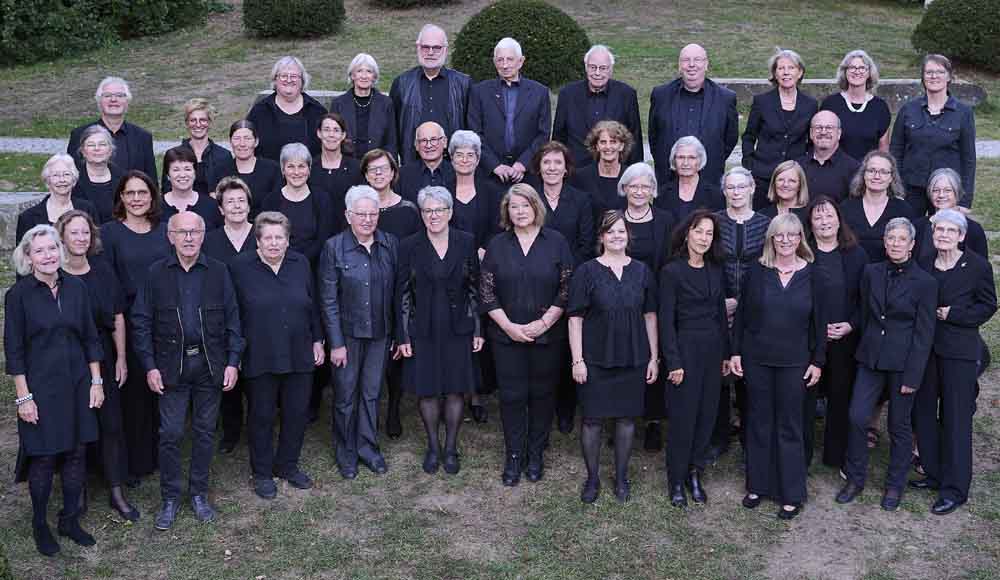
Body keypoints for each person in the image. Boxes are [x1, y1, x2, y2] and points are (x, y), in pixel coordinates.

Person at [131, 211, 243, 530]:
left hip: (210, 365)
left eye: (195, 231)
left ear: (203, 235)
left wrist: (233, 361)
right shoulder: (155, 274)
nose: (189, 238)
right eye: (182, 232)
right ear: (171, 236)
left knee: (206, 432)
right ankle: (170, 497)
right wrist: (150, 366)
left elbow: (235, 320)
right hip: (170, 366)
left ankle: (198, 493)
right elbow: (141, 322)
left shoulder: (219, 272)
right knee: (171, 433)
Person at [6, 225, 105, 556]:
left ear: (60, 252)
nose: (48, 256)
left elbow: (91, 336)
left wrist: (96, 381)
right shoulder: (18, 296)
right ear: (28, 257)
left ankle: (69, 519)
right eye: (40, 251)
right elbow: (14, 350)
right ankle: (39, 523)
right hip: (40, 389)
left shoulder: (77, 287)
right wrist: (23, 397)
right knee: (45, 456)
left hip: (78, 383)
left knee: (77, 452)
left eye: (52, 249)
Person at [836, 217, 936, 512]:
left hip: (904, 364)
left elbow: (924, 333)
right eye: (891, 238)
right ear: (884, 241)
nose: (895, 243)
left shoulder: (926, 283)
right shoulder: (871, 272)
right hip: (871, 358)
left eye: (901, 239)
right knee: (856, 417)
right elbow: (867, 314)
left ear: (912, 245)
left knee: (899, 426)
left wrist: (913, 376)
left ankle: (895, 484)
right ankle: (855, 478)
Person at [731, 213, 826, 520]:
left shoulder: (813, 275)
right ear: (771, 238)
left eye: (793, 235)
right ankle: (757, 485)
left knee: (789, 425)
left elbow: (819, 324)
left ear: (801, 238)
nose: (786, 241)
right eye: (780, 236)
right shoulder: (757, 273)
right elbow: (742, 318)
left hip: (795, 362)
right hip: (757, 358)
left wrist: (818, 362)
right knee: (758, 421)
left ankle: (791, 492)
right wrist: (735, 354)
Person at [480, 183, 574, 486]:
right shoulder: (497, 245)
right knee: (512, 396)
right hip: (506, 335)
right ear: (507, 211)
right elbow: (487, 292)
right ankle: (514, 455)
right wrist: (509, 327)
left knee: (543, 396)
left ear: (536, 207)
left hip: (548, 334)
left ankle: (536, 454)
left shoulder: (556, 242)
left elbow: (566, 287)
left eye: (525, 205)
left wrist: (545, 322)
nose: (520, 211)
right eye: (514, 206)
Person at [230, 211, 325, 499]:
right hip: (260, 352)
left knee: (296, 413)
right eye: (267, 238)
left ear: (287, 240)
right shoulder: (239, 267)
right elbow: (233, 313)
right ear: (257, 241)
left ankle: (287, 465)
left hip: (299, 350)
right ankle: (262, 472)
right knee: (261, 415)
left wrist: (318, 340)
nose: (274, 243)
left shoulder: (300, 263)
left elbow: (313, 303)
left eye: (279, 238)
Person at [568, 211, 657, 503]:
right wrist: (577, 359)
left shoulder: (642, 271)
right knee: (592, 420)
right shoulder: (587, 271)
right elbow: (575, 319)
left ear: (628, 236)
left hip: (633, 357)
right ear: (601, 237)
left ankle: (621, 477)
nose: (617, 236)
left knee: (626, 419)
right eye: (610, 232)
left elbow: (650, 316)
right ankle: (592, 479)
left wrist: (653, 357)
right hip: (595, 357)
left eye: (621, 231)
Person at [912, 209, 997, 515]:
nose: (944, 235)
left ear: (962, 236)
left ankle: (955, 488)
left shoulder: (976, 267)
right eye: (939, 230)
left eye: (950, 231)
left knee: (956, 419)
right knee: (922, 412)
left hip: (959, 353)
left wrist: (954, 315)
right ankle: (933, 474)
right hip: (926, 351)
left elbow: (988, 305)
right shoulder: (924, 264)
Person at [56, 210, 138, 522]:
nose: (80, 238)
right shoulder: (55, 274)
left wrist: (120, 358)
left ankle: (116, 491)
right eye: (74, 233)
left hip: (103, 354)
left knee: (111, 425)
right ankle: (77, 494)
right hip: (68, 360)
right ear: (62, 237)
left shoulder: (103, 270)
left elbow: (117, 315)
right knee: (75, 426)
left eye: (85, 233)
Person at [395, 186, 483, 474]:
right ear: (421, 214)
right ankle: (433, 446)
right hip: (423, 327)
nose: (433, 215)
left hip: (458, 325)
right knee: (428, 389)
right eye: (428, 210)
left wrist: (477, 329)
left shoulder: (466, 241)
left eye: (439, 210)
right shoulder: (408, 245)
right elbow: (403, 292)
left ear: (450, 212)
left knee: (457, 388)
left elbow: (474, 287)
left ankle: (451, 448)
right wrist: (403, 335)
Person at [320, 186, 398, 479]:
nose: (367, 219)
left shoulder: (389, 244)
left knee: (371, 393)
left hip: (380, 334)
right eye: (361, 214)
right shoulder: (334, 247)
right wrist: (336, 343)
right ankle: (346, 451)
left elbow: (396, 293)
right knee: (345, 395)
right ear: (348, 215)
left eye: (373, 213)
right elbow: (328, 299)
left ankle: (367, 447)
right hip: (347, 336)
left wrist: (397, 335)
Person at [100, 171, 171, 485]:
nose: (137, 198)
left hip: (164, 320)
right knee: (133, 394)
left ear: (152, 196)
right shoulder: (109, 234)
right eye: (130, 193)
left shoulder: (165, 231)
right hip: (125, 322)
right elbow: (108, 282)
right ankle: (135, 460)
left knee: (162, 388)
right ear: (121, 198)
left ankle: (159, 452)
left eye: (143, 192)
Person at [659, 210, 730, 508]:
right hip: (685, 352)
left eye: (709, 233)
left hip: (713, 353)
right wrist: (673, 362)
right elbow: (665, 321)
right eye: (699, 231)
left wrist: (726, 354)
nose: (703, 238)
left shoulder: (716, 269)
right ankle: (676, 479)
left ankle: (694, 472)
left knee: (706, 417)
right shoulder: (671, 272)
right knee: (683, 419)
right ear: (687, 233)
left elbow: (720, 316)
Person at [357, 149, 422, 436]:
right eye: (372, 170)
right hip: (365, 289)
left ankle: (393, 409)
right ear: (365, 175)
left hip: (398, 287)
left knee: (397, 351)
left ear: (394, 173)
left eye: (383, 169)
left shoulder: (407, 210)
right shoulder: (358, 209)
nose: (378, 174)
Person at [805, 196, 868, 470]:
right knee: (805, 398)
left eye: (829, 215)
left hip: (844, 338)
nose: (824, 222)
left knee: (840, 398)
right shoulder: (802, 254)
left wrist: (850, 325)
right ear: (810, 223)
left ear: (839, 219)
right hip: (809, 339)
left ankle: (835, 456)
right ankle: (801, 454)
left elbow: (866, 300)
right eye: (817, 217)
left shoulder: (856, 254)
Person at [711, 167, 770, 461]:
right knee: (720, 373)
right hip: (718, 307)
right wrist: (721, 301)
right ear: (724, 191)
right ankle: (719, 436)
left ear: (751, 189)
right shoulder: (714, 223)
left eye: (741, 187)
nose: (736, 192)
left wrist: (743, 303)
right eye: (730, 187)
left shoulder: (765, 224)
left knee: (749, 375)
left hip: (755, 309)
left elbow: (770, 267)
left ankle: (750, 435)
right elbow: (706, 263)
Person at [618, 162, 674, 450]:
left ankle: (653, 421)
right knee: (624, 358)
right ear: (624, 188)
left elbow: (671, 259)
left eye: (645, 186)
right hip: (620, 301)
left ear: (653, 190)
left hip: (655, 298)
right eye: (634, 186)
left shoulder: (665, 219)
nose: (639, 191)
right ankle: (621, 417)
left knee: (654, 356)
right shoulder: (614, 219)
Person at [203, 177, 258, 453]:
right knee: (228, 376)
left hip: (258, 318)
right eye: (230, 202)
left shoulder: (262, 236)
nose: (236, 206)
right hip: (222, 319)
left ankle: (258, 427)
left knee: (257, 377)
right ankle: (232, 430)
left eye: (241, 201)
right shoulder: (210, 241)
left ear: (249, 205)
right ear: (221, 209)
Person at [890, 54, 976, 216]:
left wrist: (965, 200)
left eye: (940, 72)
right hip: (911, 190)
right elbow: (896, 151)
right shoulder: (908, 110)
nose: (934, 76)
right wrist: (896, 189)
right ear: (923, 77)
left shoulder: (963, 113)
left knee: (944, 236)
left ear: (949, 76)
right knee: (910, 234)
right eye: (929, 72)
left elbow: (969, 159)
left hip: (946, 191)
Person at [649, 43, 738, 189]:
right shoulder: (660, 95)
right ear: (679, 65)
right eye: (686, 60)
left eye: (697, 60)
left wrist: (708, 161)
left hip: (709, 180)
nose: (691, 65)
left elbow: (730, 139)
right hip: (668, 180)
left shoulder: (725, 98)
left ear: (706, 64)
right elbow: (654, 137)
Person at [741, 49, 818, 209]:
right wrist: (750, 163)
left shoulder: (810, 104)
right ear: (775, 74)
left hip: (795, 176)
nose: (786, 72)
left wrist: (805, 165)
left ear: (800, 72)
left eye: (791, 68)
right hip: (763, 176)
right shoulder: (762, 101)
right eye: (781, 68)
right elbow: (749, 136)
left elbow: (812, 141)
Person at [468, 37, 551, 184]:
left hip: (527, 175)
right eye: (500, 60)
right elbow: (474, 132)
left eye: (510, 59)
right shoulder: (479, 92)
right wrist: (495, 165)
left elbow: (543, 134)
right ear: (494, 62)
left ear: (521, 61)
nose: (505, 65)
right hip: (490, 175)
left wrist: (523, 164)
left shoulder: (540, 92)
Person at [390, 24, 471, 166]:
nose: (431, 52)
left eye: (437, 48)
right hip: (412, 164)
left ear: (445, 50)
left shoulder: (464, 84)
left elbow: (471, 128)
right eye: (425, 47)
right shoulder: (401, 83)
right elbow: (392, 129)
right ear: (418, 48)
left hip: (453, 166)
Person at [552, 45, 643, 168]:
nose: (597, 73)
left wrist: (636, 172)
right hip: (576, 172)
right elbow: (559, 138)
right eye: (593, 67)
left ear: (611, 70)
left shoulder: (626, 94)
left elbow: (634, 138)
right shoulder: (567, 94)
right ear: (586, 67)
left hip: (615, 171)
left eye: (603, 68)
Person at [259, 143, 338, 264]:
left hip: (313, 266)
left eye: (301, 166)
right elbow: (266, 237)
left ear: (309, 169)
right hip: (278, 264)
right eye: (290, 166)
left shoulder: (322, 199)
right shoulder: (271, 201)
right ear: (283, 169)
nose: (296, 172)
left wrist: (300, 261)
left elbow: (324, 239)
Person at [68, 76, 156, 180]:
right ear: (99, 101)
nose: (113, 99)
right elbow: (71, 175)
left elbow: (151, 180)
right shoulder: (79, 135)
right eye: (107, 95)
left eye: (119, 95)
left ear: (127, 101)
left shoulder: (143, 137)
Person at [247, 56, 328, 162]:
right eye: (284, 76)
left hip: (308, 176)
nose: (289, 80)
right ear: (275, 80)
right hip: (269, 176)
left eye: (294, 76)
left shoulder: (317, 111)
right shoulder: (259, 111)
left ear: (302, 81)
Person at [840, 151, 916, 263]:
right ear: (863, 174)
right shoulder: (846, 207)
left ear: (891, 178)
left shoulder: (904, 210)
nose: (877, 176)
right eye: (871, 171)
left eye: (883, 172)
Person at [528, 140, 595, 266]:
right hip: (534, 268)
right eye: (546, 162)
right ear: (539, 167)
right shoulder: (530, 199)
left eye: (558, 162)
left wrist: (567, 269)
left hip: (572, 270)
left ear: (565, 169)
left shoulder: (581, 200)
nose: (552, 168)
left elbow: (587, 244)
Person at [820, 50, 891, 161]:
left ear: (869, 73)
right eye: (852, 67)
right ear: (845, 72)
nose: (857, 72)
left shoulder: (880, 107)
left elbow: (883, 150)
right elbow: (821, 143)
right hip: (835, 171)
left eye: (862, 68)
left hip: (867, 173)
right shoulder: (830, 104)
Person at [16, 154, 99, 244]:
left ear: (74, 180)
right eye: (56, 175)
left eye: (66, 174)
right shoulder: (28, 217)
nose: (62, 180)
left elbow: (96, 245)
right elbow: (23, 253)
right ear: (47, 181)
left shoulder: (88, 209)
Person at [329, 53, 398, 160]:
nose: (364, 76)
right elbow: (332, 138)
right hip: (346, 164)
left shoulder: (386, 103)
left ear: (374, 77)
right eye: (359, 71)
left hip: (377, 164)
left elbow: (391, 141)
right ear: (352, 75)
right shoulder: (338, 103)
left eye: (369, 71)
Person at [161, 98, 233, 197]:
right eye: (193, 120)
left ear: (209, 122)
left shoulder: (223, 156)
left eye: (202, 120)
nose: (198, 125)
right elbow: (166, 190)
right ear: (187, 123)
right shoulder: (173, 155)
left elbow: (228, 192)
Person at [915, 168, 988, 264]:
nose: (941, 195)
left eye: (947, 190)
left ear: (957, 193)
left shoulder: (973, 229)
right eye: (935, 190)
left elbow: (981, 267)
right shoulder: (918, 226)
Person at [447, 130, 502, 255]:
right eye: (459, 155)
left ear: (477, 160)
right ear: (452, 158)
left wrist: (486, 249)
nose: (464, 160)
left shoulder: (492, 191)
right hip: (451, 258)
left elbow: (498, 227)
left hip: (485, 258)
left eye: (470, 155)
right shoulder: (443, 191)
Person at [570, 120, 632, 223]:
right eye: (603, 142)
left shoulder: (630, 177)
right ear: (597, 146)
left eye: (613, 142)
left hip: (622, 236)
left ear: (621, 146)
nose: (608, 147)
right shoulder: (580, 177)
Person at [795, 110, 861, 203]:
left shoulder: (854, 169)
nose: (823, 132)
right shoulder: (797, 166)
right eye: (818, 127)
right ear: (810, 133)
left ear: (839, 133)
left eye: (829, 128)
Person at [654, 135, 723, 221]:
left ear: (700, 160)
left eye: (691, 158)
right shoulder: (662, 194)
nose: (685, 163)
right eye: (681, 157)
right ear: (674, 160)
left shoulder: (715, 196)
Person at [308, 112, 364, 219]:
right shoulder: (309, 167)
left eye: (336, 130)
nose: (331, 135)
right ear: (319, 133)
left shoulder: (356, 167)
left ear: (343, 135)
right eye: (326, 129)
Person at [160, 146, 223, 230]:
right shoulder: (156, 206)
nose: (182, 175)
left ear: (195, 173)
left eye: (187, 169)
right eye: (176, 170)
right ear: (168, 175)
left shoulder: (211, 206)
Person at [223, 120, 282, 209]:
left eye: (247, 138)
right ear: (230, 142)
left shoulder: (273, 169)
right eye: (237, 138)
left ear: (256, 142)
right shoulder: (220, 170)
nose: (242, 144)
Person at [71, 125, 124, 224]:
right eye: (91, 145)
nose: (97, 148)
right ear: (83, 151)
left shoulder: (124, 179)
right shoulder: (73, 180)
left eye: (102, 144)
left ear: (110, 150)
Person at [398, 121, 455, 203]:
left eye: (433, 139)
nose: (429, 145)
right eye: (423, 140)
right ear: (416, 145)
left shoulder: (457, 172)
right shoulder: (402, 175)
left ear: (444, 142)